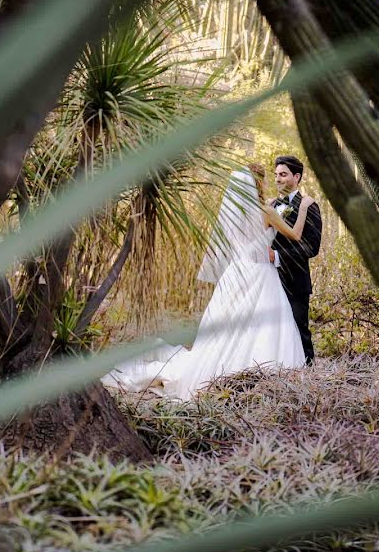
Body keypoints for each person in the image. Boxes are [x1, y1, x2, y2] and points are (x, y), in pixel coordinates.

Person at [102, 164, 316, 401]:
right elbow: (296, 234)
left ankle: (223, 371)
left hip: (235, 272)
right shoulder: (265, 211)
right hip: (260, 273)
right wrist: (304, 208)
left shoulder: (233, 214)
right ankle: (263, 375)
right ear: (258, 183)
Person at [269, 156, 322, 365]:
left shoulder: (309, 206)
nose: (278, 179)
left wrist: (279, 256)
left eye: (283, 174)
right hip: (269, 279)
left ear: (296, 177)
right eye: (276, 175)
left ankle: (308, 375)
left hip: (295, 280)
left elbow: (312, 247)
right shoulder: (271, 205)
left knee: (299, 329)